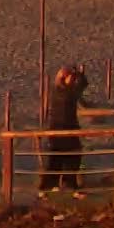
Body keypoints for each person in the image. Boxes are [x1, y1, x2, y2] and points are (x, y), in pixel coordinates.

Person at [41, 64, 91, 195]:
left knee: (58, 160)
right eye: (71, 77)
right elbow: (84, 83)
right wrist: (78, 73)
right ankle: (66, 185)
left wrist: (74, 73)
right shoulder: (67, 92)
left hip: (59, 129)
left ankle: (51, 187)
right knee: (68, 158)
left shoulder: (57, 90)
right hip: (65, 129)